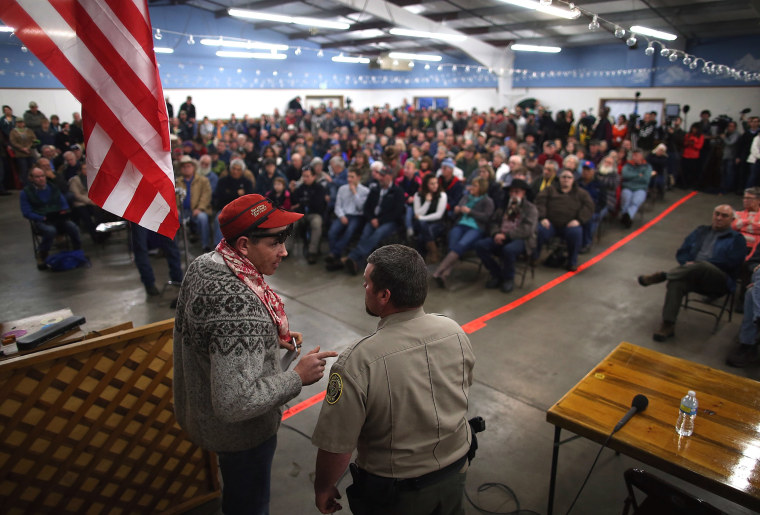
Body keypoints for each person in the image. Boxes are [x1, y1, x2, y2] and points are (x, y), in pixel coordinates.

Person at [174, 194, 337, 515]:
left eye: (285, 240)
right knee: (248, 505)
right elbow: (235, 402)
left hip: (198, 411)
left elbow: (213, 335)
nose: (285, 251)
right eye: (276, 242)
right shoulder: (240, 307)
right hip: (241, 437)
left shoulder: (205, 264)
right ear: (245, 244)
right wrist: (296, 377)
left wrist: (265, 339)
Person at [311, 244, 475, 515]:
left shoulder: (357, 361)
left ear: (384, 295)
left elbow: (337, 446)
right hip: (456, 471)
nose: (363, 288)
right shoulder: (454, 332)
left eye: (366, 283)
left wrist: (323, 487)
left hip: (397, 494)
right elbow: (463, 389)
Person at [637, 204, 746, 341]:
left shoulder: (737, 239)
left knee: (703, 265)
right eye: (716, 214)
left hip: (718, 279)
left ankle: (664, 275)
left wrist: (700, 264)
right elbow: (682, 252)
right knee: (676, 282)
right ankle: (668, 325)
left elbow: (733, 263)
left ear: (732, 220)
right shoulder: (701, 231)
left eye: (724, 216)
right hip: (691, 274)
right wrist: (686, 262)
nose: (719, 218)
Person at [474, 179, 537, 293]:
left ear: (523, 193)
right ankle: (497, 274)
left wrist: (506, 236)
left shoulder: (530, 208)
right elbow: (493, 222)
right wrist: (496, 233)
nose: (513, 194)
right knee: (480, 246)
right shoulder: (504, 205)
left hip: (521, 239)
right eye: (511, 192)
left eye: (516, 192)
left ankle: (508, 278)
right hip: (501, 235)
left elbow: (527, 229)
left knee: (509, 250)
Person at [432, 177, 495, 288]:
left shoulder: (487, 201)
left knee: (461, 245)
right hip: (461, 224)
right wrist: (456, 210)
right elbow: (456, 212)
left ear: (482, 187)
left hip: (475, 227)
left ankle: (439, 271)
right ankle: (444, 275)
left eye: (475, 185)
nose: (472, 187)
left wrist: (471, 212)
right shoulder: (466, 197)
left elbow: (487, 217)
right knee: (453, 245)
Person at [342, 166, 405, 275]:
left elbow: (397, 212)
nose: (380, 178)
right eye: (379, 175)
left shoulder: (397, 192)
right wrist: (372, 219)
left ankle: (353, 256)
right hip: (373, 220)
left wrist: (380, 221)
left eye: (383, 175)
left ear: (390, 177)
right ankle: (356, 263)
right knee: (365, 234)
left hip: (389, 222)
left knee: (377, 234)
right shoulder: (375, 190)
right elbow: (367, 208)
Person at [20, 167, 82, 269]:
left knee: (73, 227)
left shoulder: (53, 188)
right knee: (50, 231)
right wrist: (40, 217)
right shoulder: (26, 193)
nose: (41, 179)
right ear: (31, 179)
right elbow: (26, 212)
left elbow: (64, 204)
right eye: (37, 177)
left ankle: (77, 251)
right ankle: (42, 254)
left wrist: (63, 211)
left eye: (42, 176)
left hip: (57, 218)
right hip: (41, 220)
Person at [534, 169, 594, 272]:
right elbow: (540, 202)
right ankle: (534, 258)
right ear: (559, 179)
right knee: (539, 231)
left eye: (569, 177)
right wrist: (542, 217)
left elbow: (589, 207)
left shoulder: (581, 193)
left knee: (576, 233)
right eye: (563, 177)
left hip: (570, 225)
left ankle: (572, 261)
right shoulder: (550, 190)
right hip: (550, 223)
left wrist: (579, 220)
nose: (566, 179)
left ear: (573, 180)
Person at [325, 169, 369, 268]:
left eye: (352, 177)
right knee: (332, 232)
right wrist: (341, 216)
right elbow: (338, 206)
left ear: (358, 177)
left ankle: (334, 253)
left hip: (356, 216)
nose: (349, 179)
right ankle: (336, 257)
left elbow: (361, 208)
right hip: (343, 214)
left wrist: (354, 193)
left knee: (350, 231)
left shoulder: (365, 191)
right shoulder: (342, 189)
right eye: (348, 177)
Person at [290, 167, 328, 264]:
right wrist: (292, 192)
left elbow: (317, 205)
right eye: (304, 176)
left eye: (307, 176)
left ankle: (312, 251)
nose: (305, 179)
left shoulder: (319, 188)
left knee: (316, 223)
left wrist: (303, 202)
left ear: (314, 176)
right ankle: (286, 248)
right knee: (291, 222)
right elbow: (295, 202)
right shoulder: (301, 188)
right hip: (301, 213)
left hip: (314, 213)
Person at [175, 155, 213, 251]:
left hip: (197, 209)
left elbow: (206, 195)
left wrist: (200, 208)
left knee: (202, 218)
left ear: (193, 167)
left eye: (188, 166)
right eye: (184, 167)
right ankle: (174, 246)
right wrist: (176, 208)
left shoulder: (203, 180)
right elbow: (173, 196)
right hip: (181, 210)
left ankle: (205, 245)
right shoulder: (176, 181)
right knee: (172, 218)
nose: (186, 169)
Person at [412, 173, 448, 264]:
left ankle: (420, 260)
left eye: (436, 183)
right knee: (422, 224)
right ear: (426, 185)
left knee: (421, 237)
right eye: (431, 183)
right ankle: (434, 251)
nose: (435, 186)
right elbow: (417, 213)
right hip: (421, 224)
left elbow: (438, 215)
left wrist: (421, 218)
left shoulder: (442, 195)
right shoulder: (418, 195)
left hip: (437, 223)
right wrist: (427, 202)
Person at [620, 149, 652, 228]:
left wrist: (632, 176)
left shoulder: (647, 167)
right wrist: (638, 175)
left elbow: (646, 179)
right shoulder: (628, 165)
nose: (634, 157)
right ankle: (626, 216)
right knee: (626, 198)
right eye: (633, 155)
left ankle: (628, 216)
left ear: (641, 156)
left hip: (640, 188)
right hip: (627, 187)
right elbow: (625, 175)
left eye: (636, 155)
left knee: (636, 200)